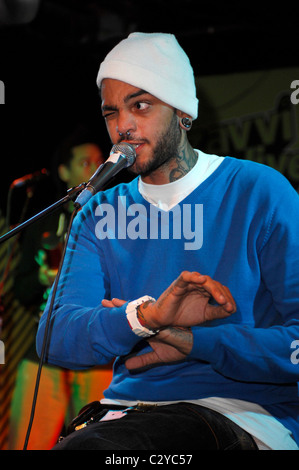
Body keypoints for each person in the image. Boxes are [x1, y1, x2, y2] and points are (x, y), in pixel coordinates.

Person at [37, 33, 299, 451]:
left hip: (241, 413)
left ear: (182, 111)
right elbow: (54, 339)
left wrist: (199, 343)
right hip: (122, 413)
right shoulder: (98, 212)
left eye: (140, 105)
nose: (122, 125)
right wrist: (146, 317)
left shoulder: (259, 191)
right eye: (111, 112)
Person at [9, 127, 113, 450]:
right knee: (29, 441)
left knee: (100, 444)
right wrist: (42, 279)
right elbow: (21, 289)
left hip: (98, 353)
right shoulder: (44, 221)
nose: (96, 168)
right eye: (85, 162)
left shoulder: (119, 217)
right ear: (64, 171)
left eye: (100, 161)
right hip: (44, 355)